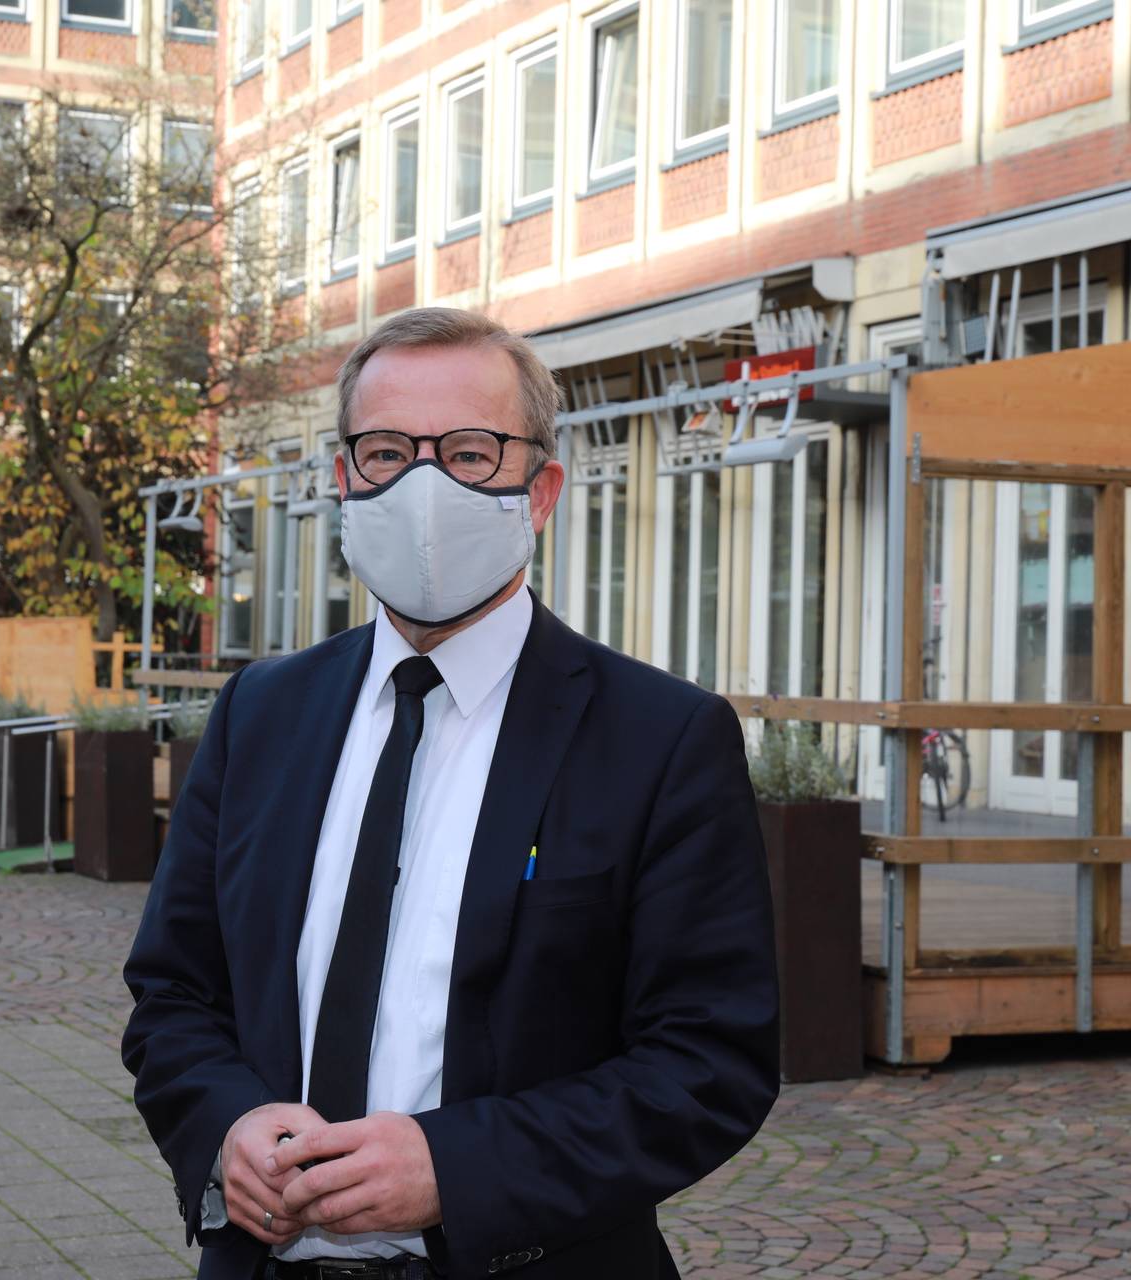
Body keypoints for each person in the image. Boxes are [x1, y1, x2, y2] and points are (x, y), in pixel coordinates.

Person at [122, 307, 780, 1280]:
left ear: (541, 491)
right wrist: (225, 1125)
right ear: (344, 479)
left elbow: (707, 1062)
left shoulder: (660, 740)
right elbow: (174, 992)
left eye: (470, 453)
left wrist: (457, 1168)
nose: (423, 487)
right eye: (387, 453)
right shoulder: (259, 713)